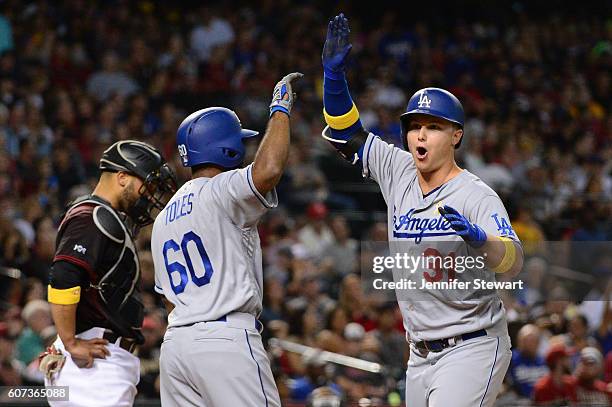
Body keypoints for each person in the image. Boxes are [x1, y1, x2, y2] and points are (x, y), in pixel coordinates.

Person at [320, 14, 524, 406]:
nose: (421, 134)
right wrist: (334, 80)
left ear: (456, 136)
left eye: (434, 126)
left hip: (473, 345)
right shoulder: (397, 169)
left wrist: (482, 241)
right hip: (419, 353)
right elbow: (347, 132)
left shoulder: (475, 195)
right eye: (414, 126)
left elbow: (514, 263)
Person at [151, 72, 302, 406]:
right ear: (227, 148)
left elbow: (168, 300)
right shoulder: (221, 190)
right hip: (225, 340)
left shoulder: (163, 218)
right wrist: (280, 109)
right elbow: (268, 169)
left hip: (177, 346)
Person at [42, 140, 177, 407]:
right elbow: (63, 276)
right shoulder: (92, 216)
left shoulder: (103, 217)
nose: (149, 196)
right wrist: (70, 342)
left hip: (96, 359)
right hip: (92, 360)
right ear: (123, 177)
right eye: (146, 186)